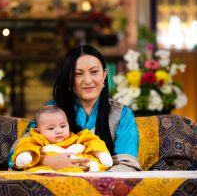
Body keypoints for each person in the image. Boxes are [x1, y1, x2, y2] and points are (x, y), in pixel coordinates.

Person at [9, 45, 141, 171]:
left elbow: (127, 164)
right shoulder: (52, 110)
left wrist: (95, 181)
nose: (88, 80)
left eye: (94, 72)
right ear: (69, 79)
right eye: (78, 74)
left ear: (104, 75)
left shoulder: (121, 114)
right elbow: (17, 153)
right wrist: (48, 161)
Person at [11, 105, 113, 172]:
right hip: (49, 170)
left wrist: (101, 153)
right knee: (37, 171)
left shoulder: (76, 138)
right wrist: (25, 155)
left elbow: (93, 141)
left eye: (63, 126)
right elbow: (26, 144)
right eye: (51, 128)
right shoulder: (38, 139)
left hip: (79, 168)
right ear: (38, 131)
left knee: (93, 164)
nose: (59, 131)